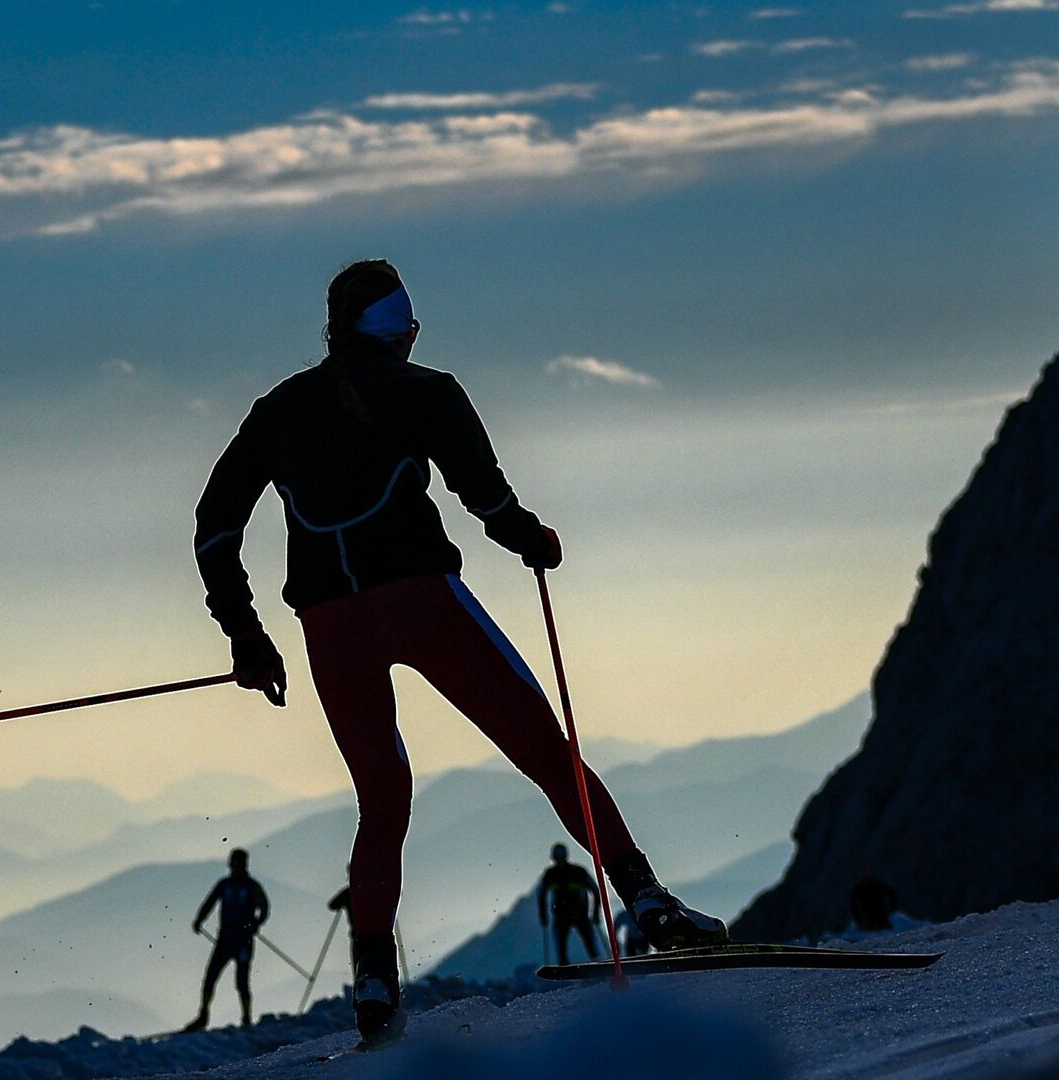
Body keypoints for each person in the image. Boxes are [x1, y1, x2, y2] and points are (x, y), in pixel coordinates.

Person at [192, 259, 729, 1045]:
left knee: (383, 798)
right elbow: (488, 499)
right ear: (401, 330)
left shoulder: (278, 411)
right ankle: (644, 896)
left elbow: (214, 525)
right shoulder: (429, 392)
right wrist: (533, 540)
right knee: (547, 753)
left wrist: (244, 632)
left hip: (329, 627)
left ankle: (373, 979)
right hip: (422, 603)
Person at [183, 848, 270, 1031]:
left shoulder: (241, 885)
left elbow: (264, 908)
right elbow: (210, 903)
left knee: (239, 980)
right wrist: (200, 919)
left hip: (238, 938)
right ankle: (205, 1015)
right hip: (229, 937)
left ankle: (243, 1018)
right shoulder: (231, 885)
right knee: (213, 977)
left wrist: (257, 922)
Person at [537, 843, 601, 966]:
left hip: (574, 913)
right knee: (567, 944)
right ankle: (592, 962)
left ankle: (595, 961)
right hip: (567, 914)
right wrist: (595, 913)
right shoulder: (574, 872)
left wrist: (596, 913)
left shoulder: (554, 874)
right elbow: (595, 891)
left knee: (585, 941)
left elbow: (541, 894)